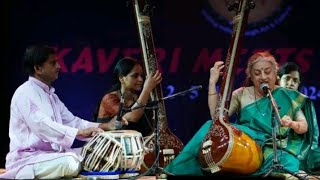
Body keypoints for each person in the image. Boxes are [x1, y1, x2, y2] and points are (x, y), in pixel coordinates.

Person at [164, 51, 319, 177]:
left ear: (276, 74)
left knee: (288, 163)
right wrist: (212, 83)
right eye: (257, 73)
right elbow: (216, 118)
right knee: (209, 127)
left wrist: (291, 124)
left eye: (267, 72)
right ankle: (174, 170)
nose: (263, 77)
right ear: (250, 76)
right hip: (245, 144)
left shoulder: (286, 95)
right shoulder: (241, 94)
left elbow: (304, 126)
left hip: (272, 147)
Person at [0, 44, 128, 179]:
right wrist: (80, 133)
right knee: (71, 162)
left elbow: (73, 122)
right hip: (30, 159)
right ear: (38, 68)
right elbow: (42, 126)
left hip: (53, 157)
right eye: (53, 63)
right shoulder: (25, 93)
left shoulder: (51, 96)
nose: (59, 67)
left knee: (103, 153)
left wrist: (104, 126)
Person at [93, 56, 162, 137]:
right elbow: (133, 117)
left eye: (141, 76)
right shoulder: (109, 98)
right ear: (122, 78)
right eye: (135, 76)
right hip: (111, 146)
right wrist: (146, 89)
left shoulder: (138, 98)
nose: (140, 79)